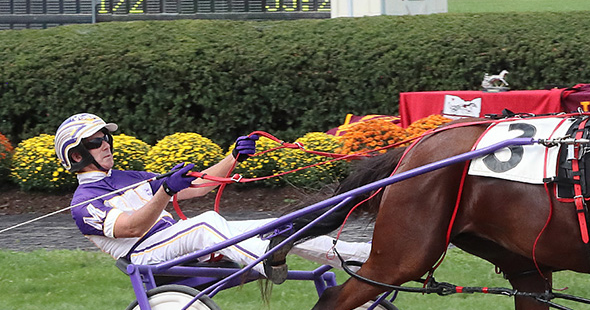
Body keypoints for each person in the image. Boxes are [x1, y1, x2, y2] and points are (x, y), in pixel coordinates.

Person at [54, 113, 369, 274]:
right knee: (207, 223)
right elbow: (133, 228)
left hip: (176, 238)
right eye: (96, 142)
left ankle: (361, 258)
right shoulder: (83, 204)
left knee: (279, 224)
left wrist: (234, 157)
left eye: (105, 138)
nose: (106, 144)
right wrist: (164, 190)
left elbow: (200, 186)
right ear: (77, 155)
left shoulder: (128, 177)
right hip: (145, 253)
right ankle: (266, 263)